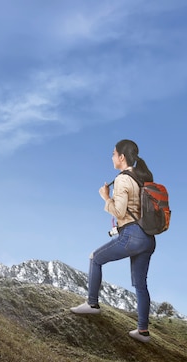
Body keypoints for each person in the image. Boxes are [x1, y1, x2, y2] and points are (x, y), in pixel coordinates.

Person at [70, 139, 156, 343]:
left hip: (133, 236)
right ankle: (143, 331)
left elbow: (119, 210)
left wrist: (105, 197)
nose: (111, 157)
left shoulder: (122, 180)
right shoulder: (140, 178)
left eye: (113, 153)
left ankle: (92, 304)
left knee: (95, 258)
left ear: (122, 157)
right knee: (141, 284)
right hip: (148, 239)